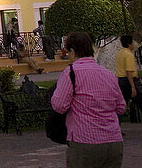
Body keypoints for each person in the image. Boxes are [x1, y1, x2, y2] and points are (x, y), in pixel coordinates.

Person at [51, 31, 127, 167]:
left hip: (84, 142)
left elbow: (59, 106)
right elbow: (121, 107)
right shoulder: (108, 74)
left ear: (72, 51)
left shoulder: (71, 73)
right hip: (113, 142)